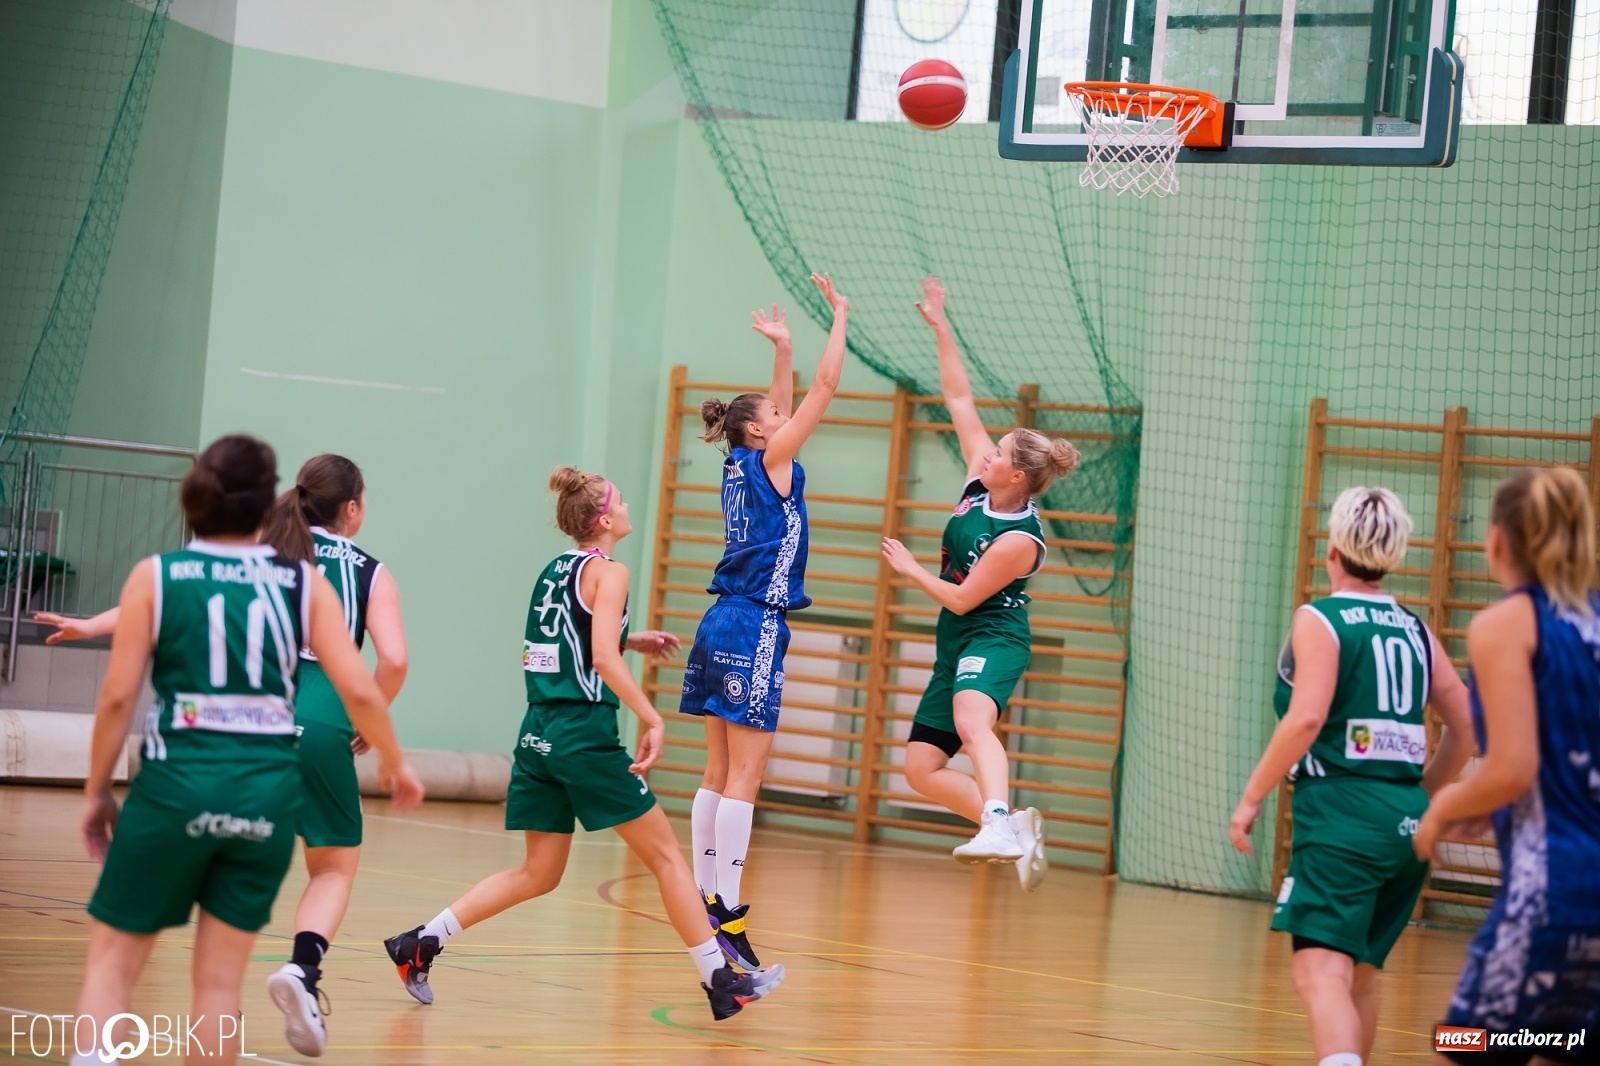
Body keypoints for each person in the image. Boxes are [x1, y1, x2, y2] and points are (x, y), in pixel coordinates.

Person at [66, 435, 422, 1066]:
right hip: (264, 786)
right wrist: (396, 760)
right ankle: (303, 971)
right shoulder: (303, 583)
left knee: (113, 965)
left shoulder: (162, 573)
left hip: (177, 777)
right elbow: (372, 681)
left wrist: (96, 791)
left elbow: (119, 697)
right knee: (219, 985)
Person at [383, 469, 783, 1021]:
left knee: (538, 873)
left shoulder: (556, 570)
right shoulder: (610, 571)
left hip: (536, 731)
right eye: (618, 500)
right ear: (603, 519)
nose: (624, 505)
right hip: (582, 733)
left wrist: (629, 637)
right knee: (667, 857)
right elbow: (599, 658)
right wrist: (651, 716)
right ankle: (719, 979)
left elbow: (567, 639)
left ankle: (421, 942)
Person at [1230, 485, 1474, 1066]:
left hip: (1342, 817)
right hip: (1406, 820)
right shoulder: (1414, 628)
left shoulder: (1320, 618)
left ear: (1331, 550)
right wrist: (1422, 799)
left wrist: (1252, 796)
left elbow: (1307, 716)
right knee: (1358, 977)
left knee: (1318, 972)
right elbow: (1465, 727)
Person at [879, 275, 1079, 889]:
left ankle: (994, 818)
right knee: (920, 768)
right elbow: (960, 399)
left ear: (1017, 478)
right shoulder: (978, 484)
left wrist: (912, 569)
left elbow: (966, 597)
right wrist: (941, 325)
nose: (985, 454)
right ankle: (1013, 824)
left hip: (993, 636)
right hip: (954, 640)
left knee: (971, 720)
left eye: (997, 454)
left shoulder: (1020, 539)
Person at [681, 274, 849, 969]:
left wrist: (782, 347)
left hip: (719, 619)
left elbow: (777, 403)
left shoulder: (738, 462)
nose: (785, 416)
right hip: (755, 623)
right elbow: (824, 391)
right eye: (774, 415)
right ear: (759, 430)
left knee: (718, 769)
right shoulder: (774, 459)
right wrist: (837, 316)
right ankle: (727, 911)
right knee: (747, 773)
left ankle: (703, 894)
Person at [1415, 468, 1600, 1066]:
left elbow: (1515, 765)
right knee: (1559, 1045)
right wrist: (1494, 806)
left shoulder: (1502, 625)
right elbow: (1567, 750)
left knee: (1464, 1043)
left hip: (1551, 892)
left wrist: (1440, 808)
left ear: (1494, 542)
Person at [254, 455, 408, 1056]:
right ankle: (301, 970)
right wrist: (370, 715)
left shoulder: (259, 553)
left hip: (240, 712)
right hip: (319, 715)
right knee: (333, 868)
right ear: (352, 508)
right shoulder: (370, 571)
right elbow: (392, 661)